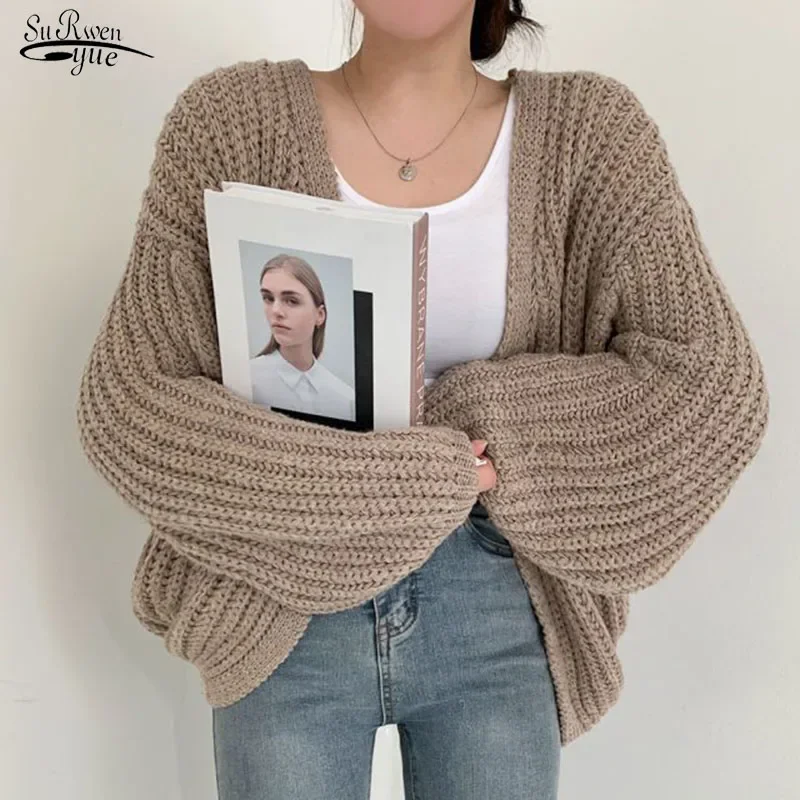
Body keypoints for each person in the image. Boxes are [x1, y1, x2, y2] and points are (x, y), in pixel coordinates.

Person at [74, 0, 770, 798]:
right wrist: (413, 477)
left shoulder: (592, 136)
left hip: (498, 603)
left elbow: (709, 383)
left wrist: (492, 433)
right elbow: (131, 399)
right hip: (279, 605)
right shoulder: (230, 122)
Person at [249, 253, 356, 421]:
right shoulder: (248, 379)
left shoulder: (345, 398)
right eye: (268, 298)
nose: (276, 311)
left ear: (319, 315)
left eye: (292, 301)